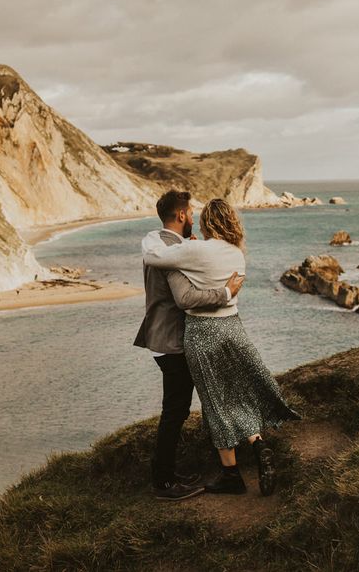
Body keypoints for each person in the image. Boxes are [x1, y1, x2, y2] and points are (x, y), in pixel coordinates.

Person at [143, 198, 301, 496]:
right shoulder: (237, 254)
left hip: (204, 333)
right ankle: (258, 444)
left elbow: (157, 261)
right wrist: (227, 291)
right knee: (236, 391)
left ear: (207, 222)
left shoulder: (194, 250)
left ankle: (231, 474)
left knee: (216, 402)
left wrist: (153, 236)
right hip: (233, 327)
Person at [135, 190, 245, 501]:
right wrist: (225, 293)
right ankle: (164, 482)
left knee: (178, 409)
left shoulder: (159, 242)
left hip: (162, 336)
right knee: (175, 410)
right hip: (170, 339)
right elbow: (186, 300)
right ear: (181, 215)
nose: (194, 218)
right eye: (191, 212)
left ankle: (169, 471)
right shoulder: (171, 249)